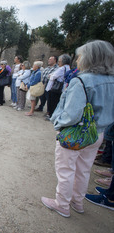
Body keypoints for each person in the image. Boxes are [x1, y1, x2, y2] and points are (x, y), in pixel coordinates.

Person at [41, 40, 114, 218]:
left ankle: (62, 204)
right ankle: (77, 202)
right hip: (97, 133)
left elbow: (71, 114)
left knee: (66, 169)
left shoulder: (81, 80)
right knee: (83, 169)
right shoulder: (111, 81)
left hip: (76, 133)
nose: (78, 59)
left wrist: (58, 126)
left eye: (81, 56)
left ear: (90, 58)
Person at [45, 54, 71, 120]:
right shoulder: (68, 67)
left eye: (59, 61)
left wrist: (51, 76)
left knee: (52, 102)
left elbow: (53, 76)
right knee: (56, 102)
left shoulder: (62, 68)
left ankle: (51, 115)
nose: (58, 63)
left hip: (55, 88)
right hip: (61, 88)